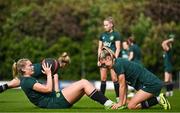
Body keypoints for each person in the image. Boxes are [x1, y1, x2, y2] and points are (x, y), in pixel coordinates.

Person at [13, 58, 114, 109]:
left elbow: (50, 92)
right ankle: (109, 104)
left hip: (54, 99)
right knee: (84, 83)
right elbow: (48, 89)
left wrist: (54, 78)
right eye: (30, 65)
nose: (33, 67)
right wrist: (48, 74)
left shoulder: (27, 79)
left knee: (84, 85)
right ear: (23, 69)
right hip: (54, 103)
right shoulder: (27, 81)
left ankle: (105, 102)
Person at [99, 47, 171, 110]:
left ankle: (158, 99)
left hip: (151, 85)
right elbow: (125, 85)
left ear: (108, 58)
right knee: (130, 103)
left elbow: (122, 86)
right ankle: (158, 99)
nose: (104, 66)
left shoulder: (117, 65)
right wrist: (123, 102)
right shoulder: (117, 63)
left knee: (131, 106)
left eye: (104, 64)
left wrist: (120, 103)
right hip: (151, 84)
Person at [0, 52, 70, 93]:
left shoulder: (54, 62)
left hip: (32, 70)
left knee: (7, 86)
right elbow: (54, 80)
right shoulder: (55, 67)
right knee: (8, 85)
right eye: (67, 65)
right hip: (31, 72)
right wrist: (57, 92)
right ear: (65, 64)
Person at [97, 17, 121, 102]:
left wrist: (115, 59)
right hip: (103, 60)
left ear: (111, 25)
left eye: (106, 25)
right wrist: (99, 59)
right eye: (104, 25)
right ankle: (101, 99)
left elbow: (118, 48)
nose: (105, 27)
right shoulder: (102, 35)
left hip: (111, 60)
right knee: (103, 78)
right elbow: (99, 48)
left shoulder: (116, 35)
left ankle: (118, 98)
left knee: (114, 79)